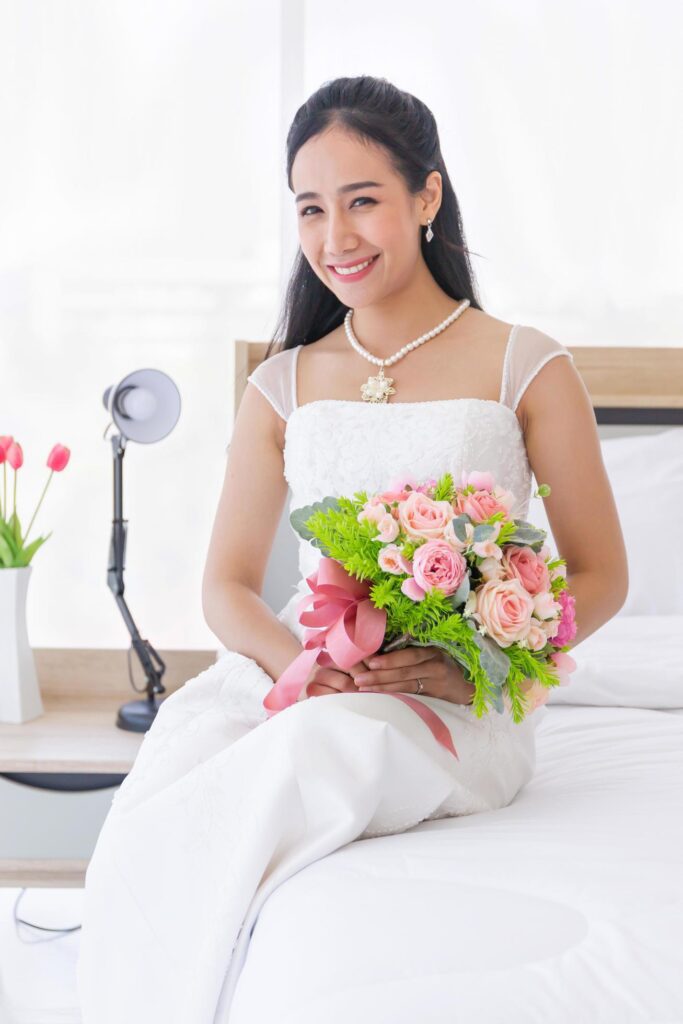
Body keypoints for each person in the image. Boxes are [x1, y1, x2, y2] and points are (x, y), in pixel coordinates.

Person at [76, 75, 628, 1023]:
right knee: (167, 778)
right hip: (298, 677)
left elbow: (603, 574)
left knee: (323, 752)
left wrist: (480, 661)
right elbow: (226, 587)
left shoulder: (524, 363)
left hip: (450, 698)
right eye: (311, 209)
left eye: (363, 201)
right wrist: (303, 670)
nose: (336, 238)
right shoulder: (282, 382)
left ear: (426, 196)